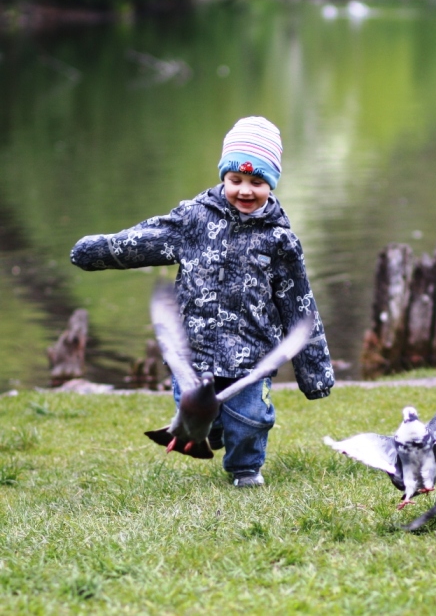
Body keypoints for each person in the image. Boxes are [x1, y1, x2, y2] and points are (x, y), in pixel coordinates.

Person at [70, 116, 334, 486]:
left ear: (271, 184)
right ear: (223, 177)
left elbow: (299, 305)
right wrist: (96, 251)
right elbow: (146, 238)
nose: (245, 190)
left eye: (257, 182)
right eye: (236, 180)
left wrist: (315, 373)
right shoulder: (194, 219)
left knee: (252, 418)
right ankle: (208, 431)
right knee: (195, 413)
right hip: (194, 352)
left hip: (252, 353)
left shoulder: (280, 240)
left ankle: (245, 469)